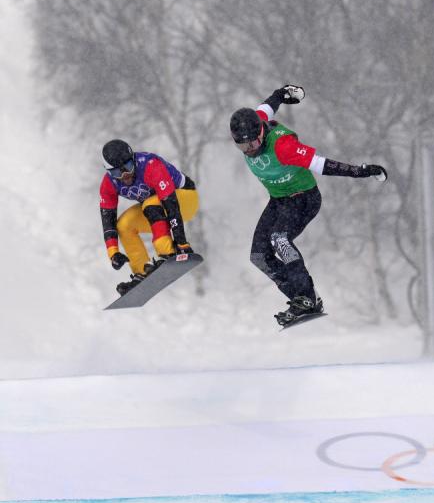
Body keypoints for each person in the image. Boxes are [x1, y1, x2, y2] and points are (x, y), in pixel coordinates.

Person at [230, 85, 388, 326]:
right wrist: (281, 94)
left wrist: (361, 171)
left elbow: (323, 165)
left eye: (252, 144)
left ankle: (305, 296)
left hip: (304, 198)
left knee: (279, 238)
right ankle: (302, 300)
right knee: (259, 255)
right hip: (279, 199)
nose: (250, 150)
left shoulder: (283, 147)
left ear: (261, 132)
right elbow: (267, 106)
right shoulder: (256, 122)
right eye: (242, 147)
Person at [99, 139, 198, 295]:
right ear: (109, 172)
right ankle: (142, 271)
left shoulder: (150, 165)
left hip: (186, 198)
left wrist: (181, 242)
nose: (125, 175)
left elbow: (171, 204)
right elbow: (108, 221)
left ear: (134, 160)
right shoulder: (108, 184)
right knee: (124, 225)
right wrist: (113, 253)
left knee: (150, 203)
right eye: (118, 172)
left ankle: (167, 252)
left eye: (128, 167)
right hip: (157, 207)